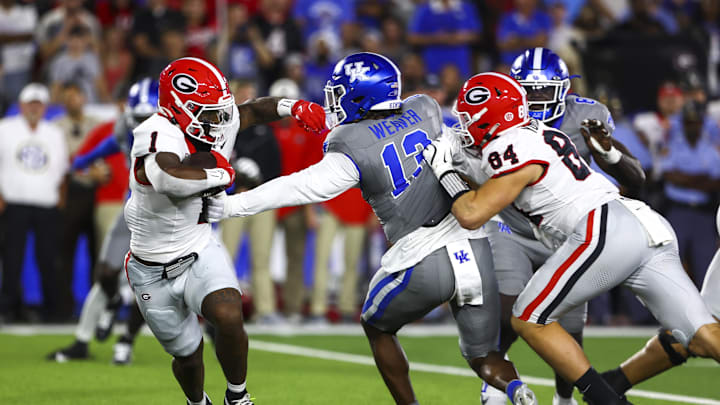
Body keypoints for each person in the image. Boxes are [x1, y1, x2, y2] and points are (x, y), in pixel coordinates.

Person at [208, 52, 537, 405]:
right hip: (474, 247)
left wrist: (230, 205)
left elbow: (299, 186)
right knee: (484, 356)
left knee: (377, 326)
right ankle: (518, 390)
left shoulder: (351, 143)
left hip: (423, 256)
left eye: (341, 92)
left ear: (360, 97)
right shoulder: (424, 108)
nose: (334, 99)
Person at [422, 71, 720, 405]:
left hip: (604, 229)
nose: (463, 126)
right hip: (645, 226)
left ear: (491, 117)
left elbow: (472, 213)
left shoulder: (508, 146)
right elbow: (491, 182)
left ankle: (606, 400)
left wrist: (444, 170)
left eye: (467, 118)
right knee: (703, 337)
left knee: (528, 317)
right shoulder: (534, 134)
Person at [124, 57, 325, 405]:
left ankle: (238, 396)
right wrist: (224, 174)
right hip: (150, 266)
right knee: (187, 354)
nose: (220, 120)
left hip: (198, 247)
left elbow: (253, 111)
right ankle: (197, 402)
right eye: (209, 112)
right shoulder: (156, 132)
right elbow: (168, 178)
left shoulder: (215, 119)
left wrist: (292, 106)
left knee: (229, 315)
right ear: (180, 107)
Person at [479, 47, 646, 405]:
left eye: (543, 91)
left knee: (569, 327)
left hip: (565, 231)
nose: (535, 99)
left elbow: (629, 171)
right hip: (513, 227)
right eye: (528, 91)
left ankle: (564, 396)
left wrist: (606, 151)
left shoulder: (586, 115)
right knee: (509, 311)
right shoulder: (499, 112)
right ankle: (497, 376)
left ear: (563, 90)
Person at [47, 78, 160, 365]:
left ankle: (126, 341)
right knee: (105, 273)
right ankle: (87, 335)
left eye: (149, 118)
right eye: (137, 117)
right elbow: (116, 141)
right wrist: (87, 158)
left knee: (150, 281)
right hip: (133, 207)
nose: (142, 125)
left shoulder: (180, 131)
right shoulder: (125, 124)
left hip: (167, 217)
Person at [0, 83, 68, 323]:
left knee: (48, 258)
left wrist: (61, 196)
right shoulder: (5, 129)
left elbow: (62, 168)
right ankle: (8, 308)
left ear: (45, 107)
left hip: (46, 204)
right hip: (14, 202)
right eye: (30, 103)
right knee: (11, 258)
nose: (34, 108)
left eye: (38, 104)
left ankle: (53, 309)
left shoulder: (54, 132)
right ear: (21, 105)